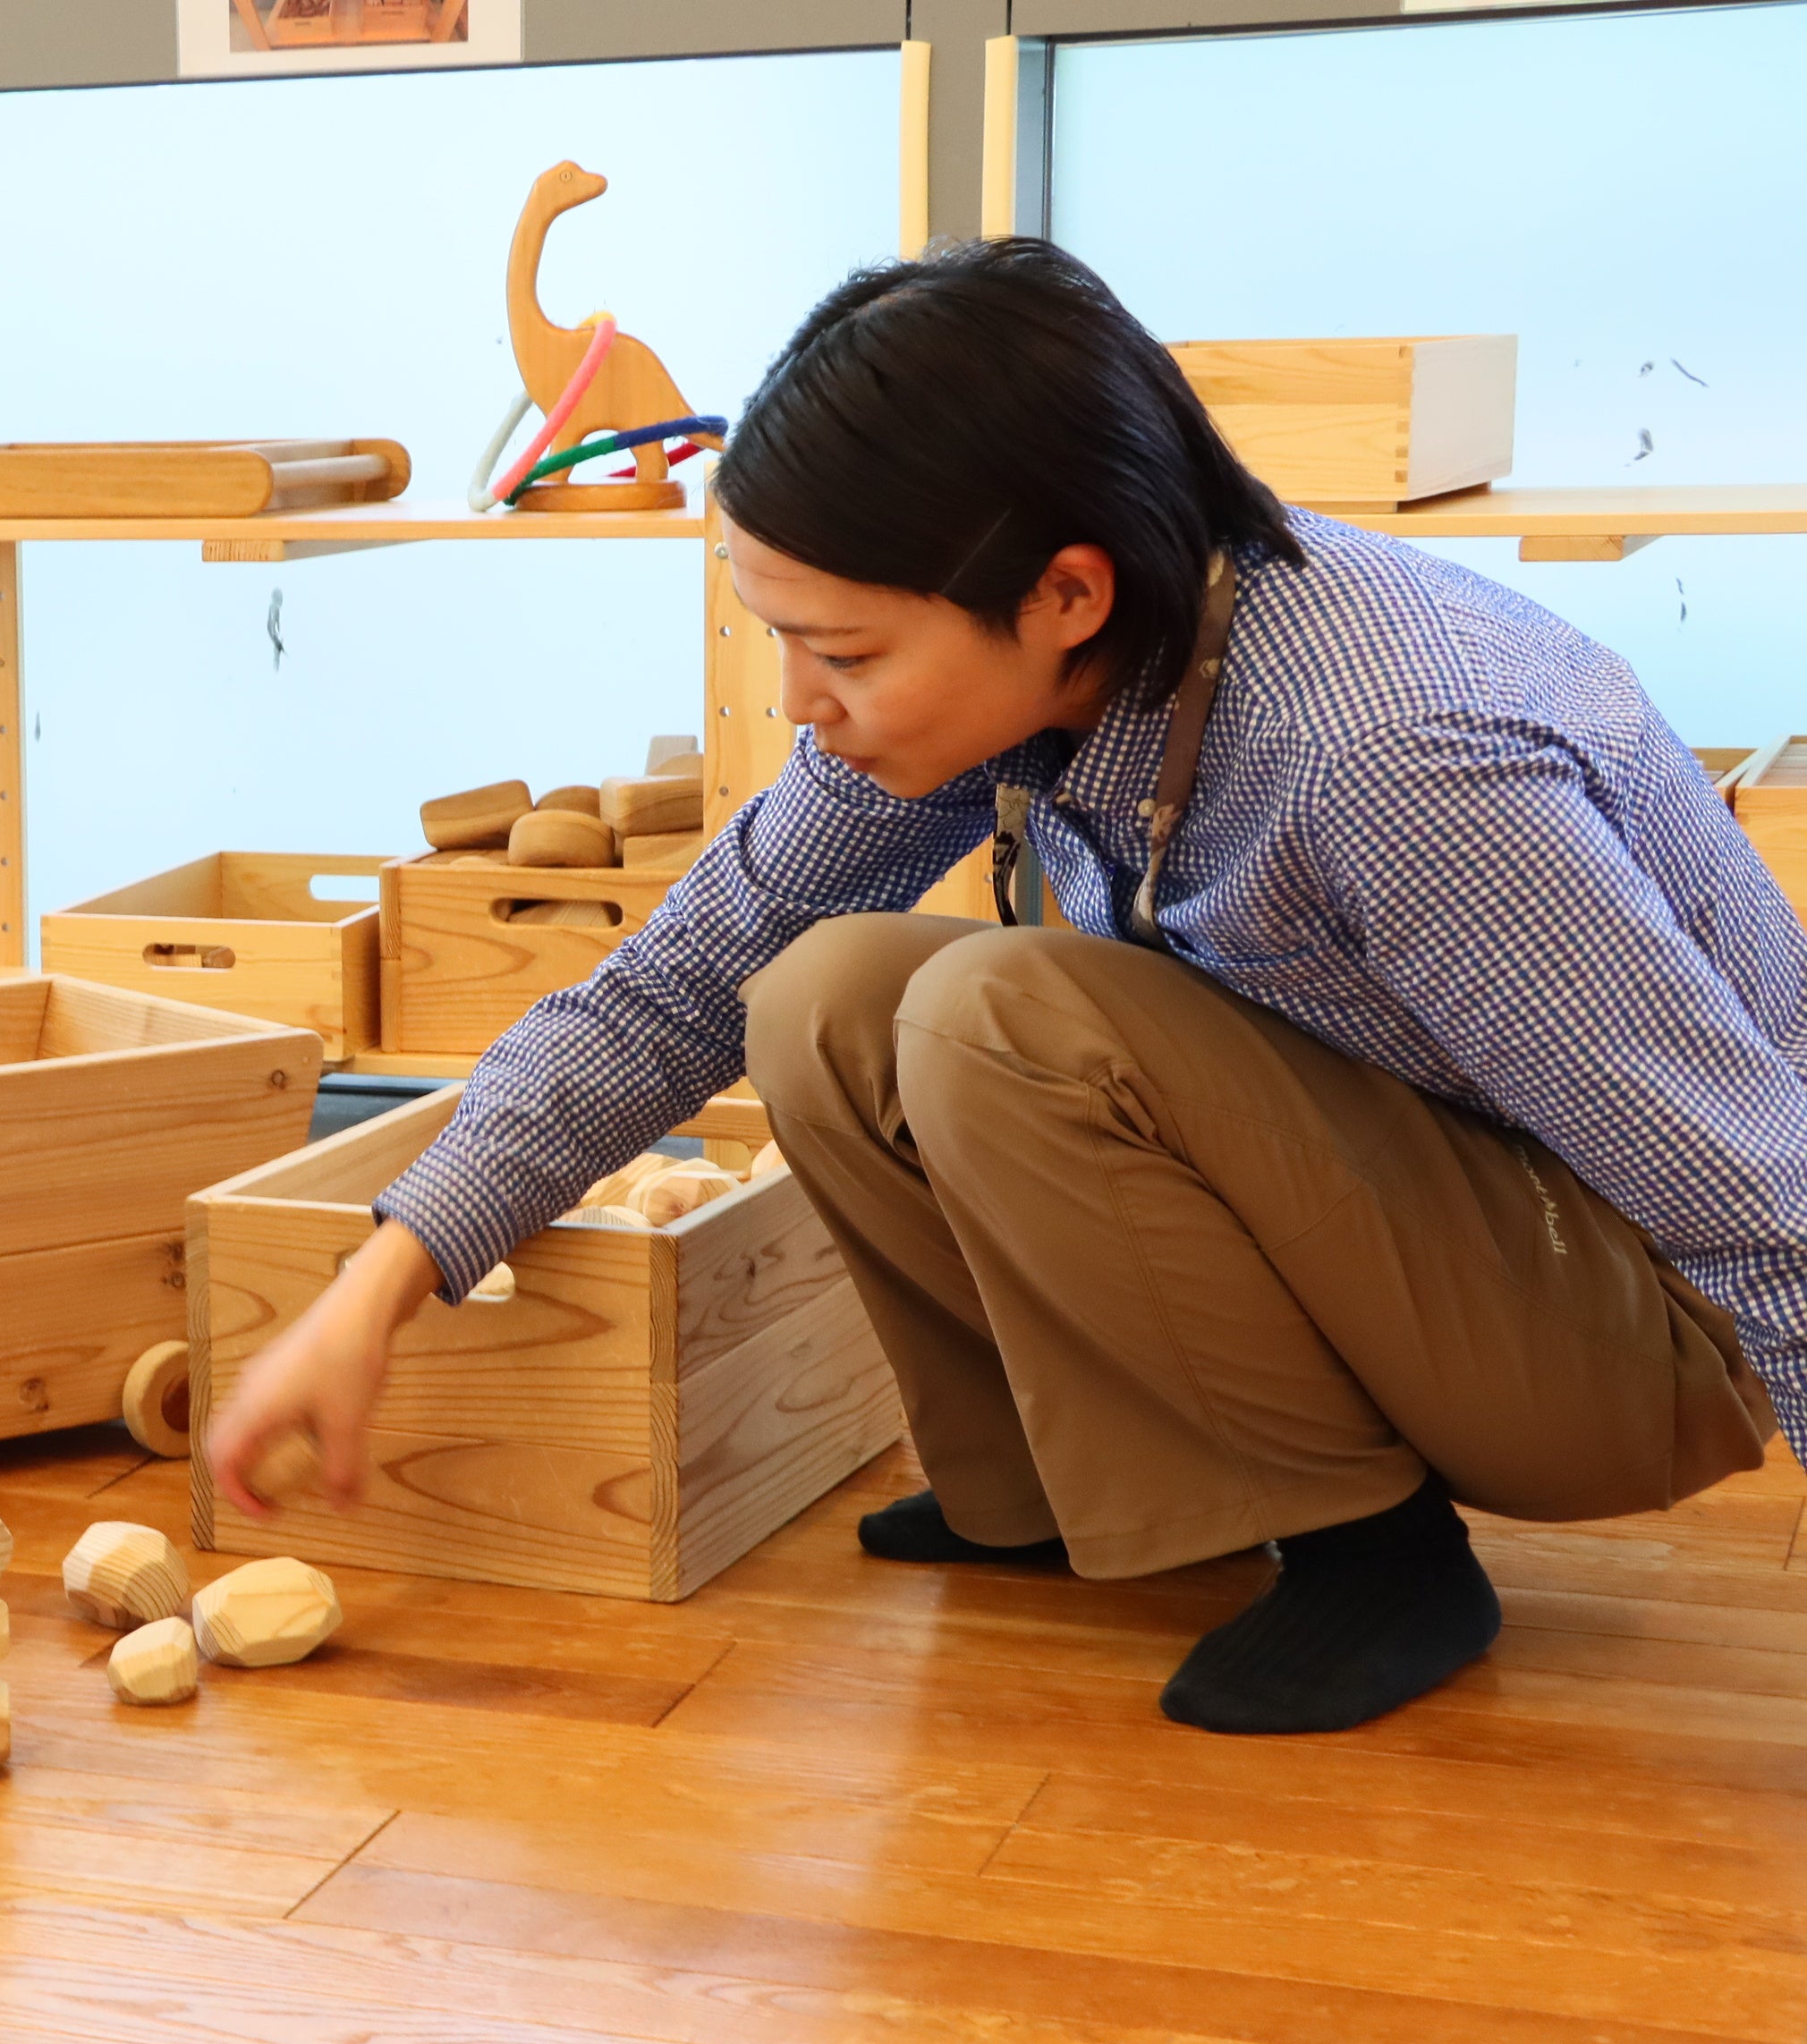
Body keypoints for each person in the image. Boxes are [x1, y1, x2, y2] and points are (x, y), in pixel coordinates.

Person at [208, 239, 1794, 1735]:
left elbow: (1760, 1200)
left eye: (846, 654)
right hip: (1442, 1223)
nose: (800, 702)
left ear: (1067, 596)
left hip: (1633, 1326)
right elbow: (680, 981)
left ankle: (1373, 1555)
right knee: (821, 995)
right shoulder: (1080, 651)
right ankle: (1045, 1487)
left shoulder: (1386, 755)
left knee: (1005, 1019)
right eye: (784, 640)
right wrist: (384, 1279)